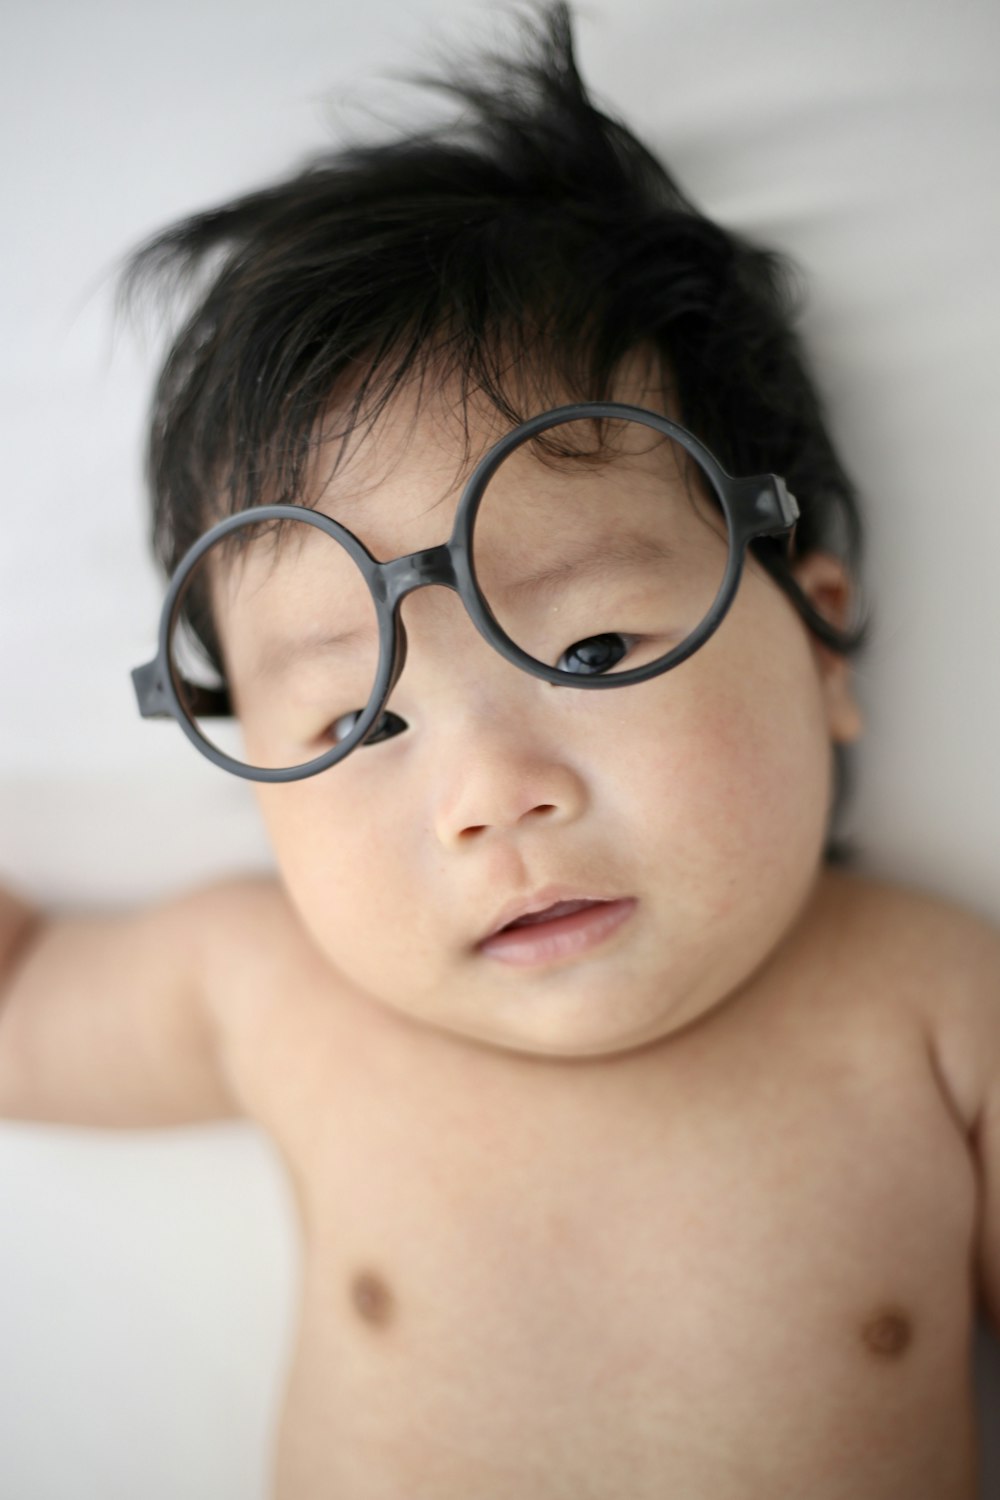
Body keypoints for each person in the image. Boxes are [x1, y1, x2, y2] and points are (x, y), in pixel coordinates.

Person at [1, 3, 998, 1495]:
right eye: (360, 718)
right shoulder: (267, 989)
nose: (492, 797)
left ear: (821, 638)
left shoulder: (937, 1010)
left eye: (592, 651)